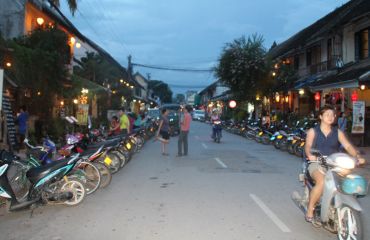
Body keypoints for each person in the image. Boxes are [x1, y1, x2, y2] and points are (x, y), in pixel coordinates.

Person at [304, 105, 366, 223]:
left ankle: (342, 202)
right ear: (321, 117)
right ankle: (310, 210)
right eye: (327, 114)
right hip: (317, 162)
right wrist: (310, 155)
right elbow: (308, 146)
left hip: (334, 162)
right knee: (322, 182)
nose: (331, 117)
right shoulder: (313, 131)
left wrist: (357, 156)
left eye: (333, 115)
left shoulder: (337, 132)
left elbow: (347, 146)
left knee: (346, 179)